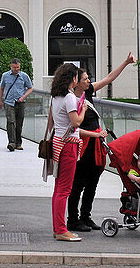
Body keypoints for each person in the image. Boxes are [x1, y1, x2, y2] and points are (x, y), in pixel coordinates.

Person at [66, 52, 136, 233]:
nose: (89, 81)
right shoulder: (71, 99)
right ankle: (72, 219)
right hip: (83, 145)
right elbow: (72, 127)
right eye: (86, 79)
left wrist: (126, 62)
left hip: (96, 144)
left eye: (89, 79)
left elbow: (109, 78)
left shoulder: (87, 94)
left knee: (92, 183)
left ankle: (85, 216)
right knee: (78, 183)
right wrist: (94, 135)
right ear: (77, 81)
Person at [47, 62, 85, 241]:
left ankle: (57, 228)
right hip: (68, 144)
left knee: (58, 188)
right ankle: (62, 230)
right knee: (65, 189)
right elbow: (76, 122)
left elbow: (51, 122)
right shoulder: (70, 98)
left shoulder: (55, 97)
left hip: (57, 142)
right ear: (73, 79)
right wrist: (83, 110)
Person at [0, 58, 33, 151]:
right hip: (9, 102)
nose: (16, 69)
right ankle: (11, 142)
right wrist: (0, 101)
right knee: (11, 122)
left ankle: (18, 142)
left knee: (19, 122)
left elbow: (30, 88)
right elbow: (1, 88)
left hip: (20, 102)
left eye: (17, 67)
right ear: (11, 66)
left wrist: (23, 97)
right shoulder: (5, 75)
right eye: (14, 67)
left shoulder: (24, 76)